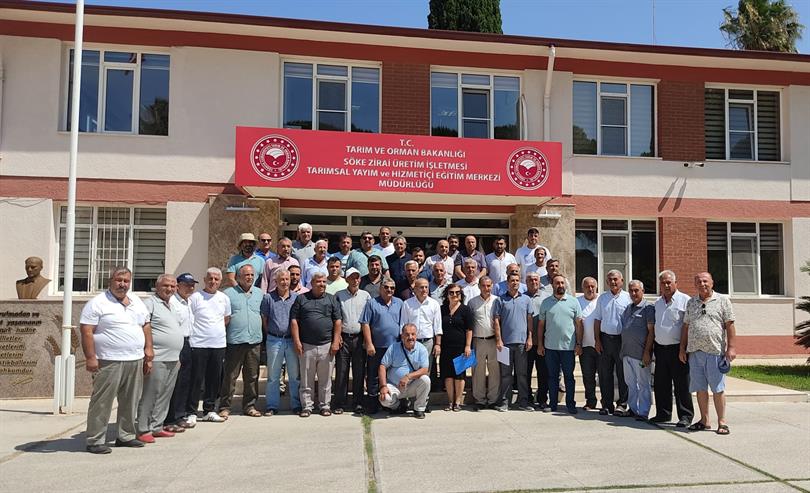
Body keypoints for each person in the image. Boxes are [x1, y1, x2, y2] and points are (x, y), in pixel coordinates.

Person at [80, 267, 153, 454]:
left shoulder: (136, 301)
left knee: (131, 400)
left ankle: (125, 436)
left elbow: (146, 325)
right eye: (119, 280)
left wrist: (148, 349)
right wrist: (91, 357)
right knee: (102, 402)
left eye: (126, 281)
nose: (122, 284)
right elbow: (86, 331)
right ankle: (95, 440)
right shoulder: (97, 303)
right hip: (108, 361)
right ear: (110, 281)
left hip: (135, 359)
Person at [679, 272, 736, 435]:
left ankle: (722, 422)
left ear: (712, 283)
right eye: (698, 281)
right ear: (695, 285)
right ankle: (704, 421)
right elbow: (686, 326)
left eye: (705, 281)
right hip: (695, 352)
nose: (702, 284)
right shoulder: (691, 302)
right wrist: (682, 348)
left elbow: (730, 325)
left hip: (715, 351)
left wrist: (731, 348)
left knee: (718, 388)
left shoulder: (723, 300)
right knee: (700, 388)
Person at [137, 274, 184, 443]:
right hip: (157, 357)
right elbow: (143, 327)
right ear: (157, 287)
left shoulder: (172, 306)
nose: (169, 289)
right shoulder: (150, 303)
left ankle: (157, 426)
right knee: (151, 394)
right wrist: (148, 352)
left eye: (172, 286)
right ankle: (142, 428)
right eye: (165, 285)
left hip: (173, 358)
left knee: (165, 394)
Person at [290, 272, 342, 417]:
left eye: (324, 282)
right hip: (307, 345)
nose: (322, 284)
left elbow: (338, 321)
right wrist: (297, 341)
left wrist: (335, 342)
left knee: (326, 379)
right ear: (312, 283)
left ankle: (325, 406)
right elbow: (294, 320)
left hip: (327, 345)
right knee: (306, 379)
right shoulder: (301, 299)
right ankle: (307, 406)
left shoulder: (331, 299)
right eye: (319, 281)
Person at [650, 270, 694, 427]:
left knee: (682, 384)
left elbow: (688, 327)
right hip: (660, 348)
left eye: (669, 282)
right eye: (663, 283)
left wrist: (683, 349)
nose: (666, 285)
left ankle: (685, 416)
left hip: (678, 349)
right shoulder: (657, 303)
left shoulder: (685, 301)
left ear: (676, 283)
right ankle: (663, 414)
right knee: (661, 383)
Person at [219, 265, 264, 419]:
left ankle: (249, 406)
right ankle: (225, 407)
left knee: (252, 376)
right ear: (238, 277)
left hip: (254, 341)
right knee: (230, 376)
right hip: (235, 341)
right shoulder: (228, 294)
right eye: (246, 275)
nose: (249, 277)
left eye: (252, 275)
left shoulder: (259, 293)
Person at [188, 267, 231, 423]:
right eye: (210, 278)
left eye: (216, 279)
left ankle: (209, 410)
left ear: (220, 281)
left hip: (218, 344)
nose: (213, 281)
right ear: (204, 280)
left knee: (214, 380)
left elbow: (226, 319)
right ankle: (191, 412)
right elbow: (190, 319)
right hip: (198, 344)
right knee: (196, 379)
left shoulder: (224, 298)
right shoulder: (195, 297)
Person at [536, 274, 583, 414]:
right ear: (552, 285)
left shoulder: (574, 302)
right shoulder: (546, 303)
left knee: (569, 377)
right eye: (557, 283)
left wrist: (579, 344)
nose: (560, 285)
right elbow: (541, 325)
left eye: (562, 283)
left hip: (568, 348)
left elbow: (579, 324)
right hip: (550, 347)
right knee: (552, 377)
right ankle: (553, 404)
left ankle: (570, 404)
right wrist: (540, 344)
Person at [360, 278, 403, 414]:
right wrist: (369, 343)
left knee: (392, 375)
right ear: (380, 288)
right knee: (373, 375)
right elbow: (365, 324)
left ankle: (389, 402)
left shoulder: (399, 303)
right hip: (377, 346)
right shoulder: (372, 303)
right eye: (386, 287)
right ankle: (373, 404)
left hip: (395, 347)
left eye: (392, 288)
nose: (389, 290)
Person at [261, 269, 300, 416]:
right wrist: (273, 333)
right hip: (274, 340)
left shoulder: (296, 298)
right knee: (273, 376)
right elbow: (264, 320)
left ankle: (296, 405)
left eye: (287, 279)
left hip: (291, 340)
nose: (284, 282)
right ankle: (272, 406)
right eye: (281, 279)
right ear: (275, 281)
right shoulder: (268, 298)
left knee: (294, 375)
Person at [493, 273, 534, 412]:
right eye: (512, 280)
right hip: (505, 344)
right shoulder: (500, 300)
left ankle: (523, 402)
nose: (515, 283)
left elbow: (529, 320)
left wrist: (530, 337)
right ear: (507, 283)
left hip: (522, 343)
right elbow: (496, 321)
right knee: (505, 375)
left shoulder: (526, 299)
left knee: (522, 374)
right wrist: (498, 340)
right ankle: (505, 402)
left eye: (517, 280)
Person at [332, 268, 371, 414]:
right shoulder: (339, 295)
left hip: (359, 338)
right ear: (346, 279)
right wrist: (337, 336)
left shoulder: (366, 296)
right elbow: (335, 317)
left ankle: (358, 403)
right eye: (352, 278)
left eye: (357, 278)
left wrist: (367, 339)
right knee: (341, 371)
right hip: (344, 338)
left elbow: (369, 318)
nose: (355, 280)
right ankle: (339, 403)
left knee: (359, 372)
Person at [594, 269, 632, 416]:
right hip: (605, 339)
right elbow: (597, 320)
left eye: (616, 279)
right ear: (606, 282)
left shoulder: (628, 298)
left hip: (622, 341)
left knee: (623, 374)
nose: (613, 282)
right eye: (610, 279)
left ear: (622, 281)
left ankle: (622, 404)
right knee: (605, 374)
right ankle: (606, 404)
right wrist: (597, 340)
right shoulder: (602, 298)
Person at [400, 277, 443, 408]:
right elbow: (403, 324)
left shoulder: (434, 304)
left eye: (426, 287)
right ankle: (407, 401)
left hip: (427, 342)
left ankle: (423, 403)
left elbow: (437, 327)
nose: (424, 290)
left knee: (425, 372)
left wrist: (437, 344)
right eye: (421, 287)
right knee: (408, 370)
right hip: (410, 342)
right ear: (414, 289)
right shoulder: (407, 304)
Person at [618, 280, 655, 420]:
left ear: (642, 291)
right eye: (631, 291)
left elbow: (651, 332)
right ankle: (633, 409)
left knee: (643, 384)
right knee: (631, 383)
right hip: (627, 353)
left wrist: (647, 352)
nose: (633, 293)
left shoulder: (648, 308)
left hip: (640, 355)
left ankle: (643, 412)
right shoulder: (628, 308)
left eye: (636, 290)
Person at [165, 272, 198, 430]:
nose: (190, 288)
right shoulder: (172, 302)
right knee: (175, 382)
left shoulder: (189, 302)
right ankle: (170, 418)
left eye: (192, 285)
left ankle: (180, 414)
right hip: (177, 343)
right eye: (186, 285)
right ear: (178, 286)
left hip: (189, 342)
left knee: (185, 381)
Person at [378, 324, 430, 419]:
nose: (410, 337)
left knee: (426, 380)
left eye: (413, 334)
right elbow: (382, 366)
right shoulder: (393, 348)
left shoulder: (422, 349)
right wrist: (383, 386)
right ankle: (399, 406)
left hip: (412, 385)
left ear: (416, 335)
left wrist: (408, 376)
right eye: (407, 334)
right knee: (384, 399)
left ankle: (419, 409)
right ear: (402, 336)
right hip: (394, 386)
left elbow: (425, 369)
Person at [439, 283, 473, 411]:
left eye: (457, 293)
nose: (454, 295)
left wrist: (468, 346)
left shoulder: (465, 310)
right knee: (448, 375)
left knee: (459, 375)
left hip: (461, 347)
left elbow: (469, 329)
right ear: (447, 295)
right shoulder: (442, 309)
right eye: (451, 293)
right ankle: (450, 401)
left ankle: (458, 402)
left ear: (461, 295)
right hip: (445, 347)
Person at [468, 276, 499, 410]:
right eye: (483, 286)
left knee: (495, 371)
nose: (486, 288)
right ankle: (479, 400)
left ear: (492, 286)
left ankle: (493, 400)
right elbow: (469, 324)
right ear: (479, 286)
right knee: (478, 371)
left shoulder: (497, 300)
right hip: (478, 341)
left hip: (493, 340)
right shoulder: (472, 302)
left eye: (488, 285)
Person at [525, 271, 550, 410]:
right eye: (530, 280)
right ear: (526, 282)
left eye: (535, 280)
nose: (533, 282)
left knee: (543, 373)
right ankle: (527, 398)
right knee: (526, 372)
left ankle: (542, 399)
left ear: (539, 281)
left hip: (543, 342)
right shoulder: (522, 297)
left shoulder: (546, 298)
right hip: (526, 343)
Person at [577, 277, 600, 411]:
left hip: (601, 345)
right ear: (582, 288)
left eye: (592, 286)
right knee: (588, 376)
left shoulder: (601, 300)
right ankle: (590, 401)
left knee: (604, 376)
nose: (590, 289)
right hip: (585, 346)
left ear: (596, 287)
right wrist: (578, 344)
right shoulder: (577, 301)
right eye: (587, 287)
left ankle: (606, 402)